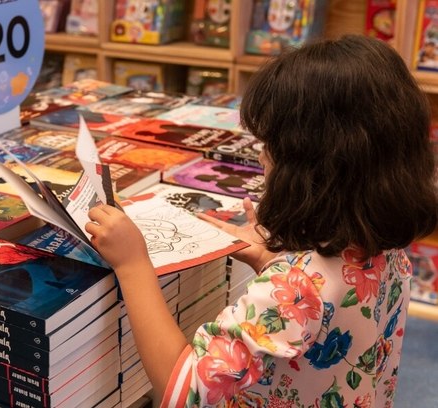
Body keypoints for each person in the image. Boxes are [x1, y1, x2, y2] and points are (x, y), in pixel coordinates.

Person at [86, 35, 438, 407]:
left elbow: (185, 392)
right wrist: (271, 260)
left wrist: (133, 264)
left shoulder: (295, 287)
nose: (260, 155)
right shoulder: (389, 243)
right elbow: (330, 314)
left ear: (309, 171)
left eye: (270, 145)